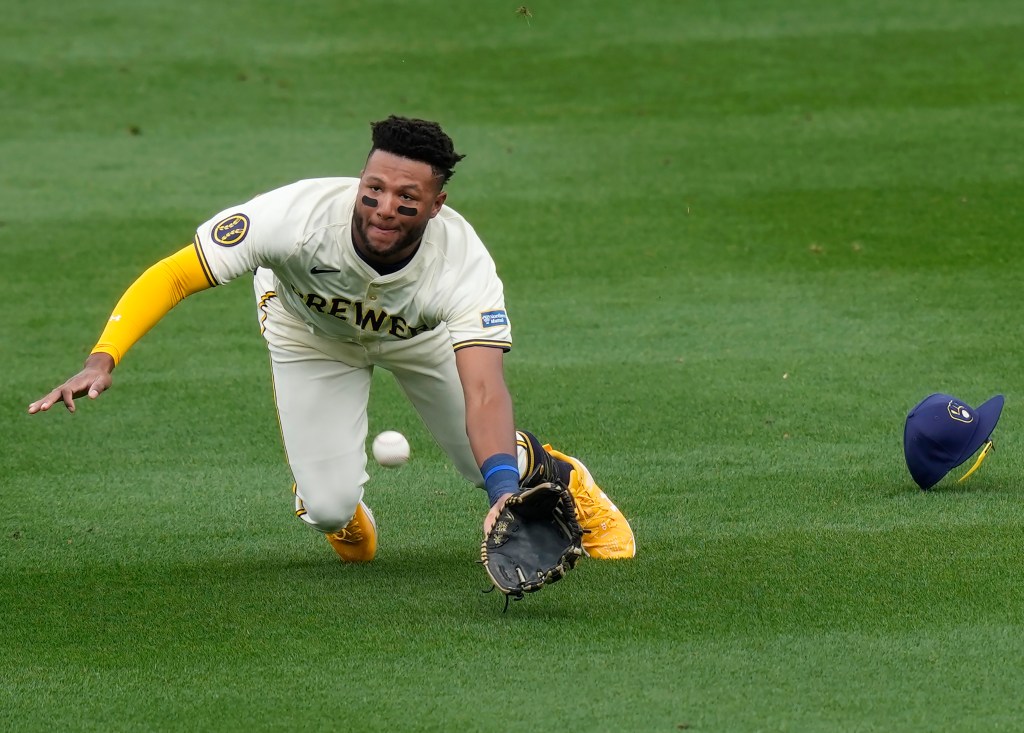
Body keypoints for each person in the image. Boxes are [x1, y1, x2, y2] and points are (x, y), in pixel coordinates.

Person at [27, 115, 635, 562]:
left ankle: (560, 475)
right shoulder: (295, 218)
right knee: (328, 508)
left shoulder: (462, 263)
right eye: (375, 187)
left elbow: (484, 390)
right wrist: (102, 358)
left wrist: (504, 491)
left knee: (485, 466)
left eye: (407, 198)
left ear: (437, 204)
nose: (383, 206)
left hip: (416, 340)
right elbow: (179, 273)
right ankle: (332, 497)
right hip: (309, 334)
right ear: (363, 176)